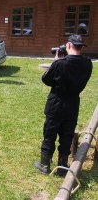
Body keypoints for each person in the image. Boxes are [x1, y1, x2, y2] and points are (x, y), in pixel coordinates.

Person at [34, 35, 92, 176]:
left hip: (56, 103)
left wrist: (55, 62)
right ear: (81, 47)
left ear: (68, 45)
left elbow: (46, 79)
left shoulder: (60, 64)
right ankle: (62, 166)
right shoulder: (88, 63)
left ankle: (45, 164)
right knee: (67, 135)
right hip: (73, 104)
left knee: (50, 133)